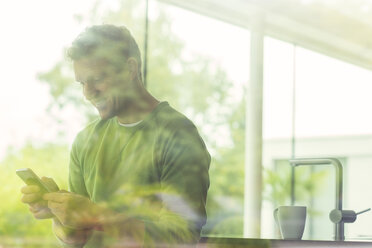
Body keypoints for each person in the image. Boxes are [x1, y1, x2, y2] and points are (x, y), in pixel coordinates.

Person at [20, 25, 210, 248]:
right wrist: (58, 212)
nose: (88, 93)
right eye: (82, 83)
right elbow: (76, 239)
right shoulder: (86, 140)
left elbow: (181, 239)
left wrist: (96, 215)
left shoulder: (177, 134)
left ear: (130, 69)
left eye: (98, 78)